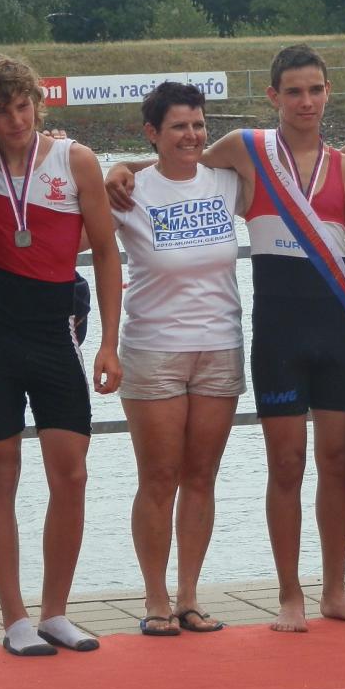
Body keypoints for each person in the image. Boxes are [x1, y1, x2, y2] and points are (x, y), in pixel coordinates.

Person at [108, 45, 345, 633]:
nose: (306, 102)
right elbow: (177, 161)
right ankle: (289, 596)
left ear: (329, 92)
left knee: (335, 463)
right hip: (276, 338)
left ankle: (334, 590)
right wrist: (120, 168)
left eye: (316, 90)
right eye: (294, 91)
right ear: (273, 96)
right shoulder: (247, 151)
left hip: (336, 333)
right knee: (285, 465)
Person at [0, 53, 123, 656]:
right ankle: (15, 619)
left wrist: (109, 341)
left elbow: (105, 252)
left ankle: (55, 612)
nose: (17, 120)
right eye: (2, 111)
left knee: (72, 472)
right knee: (0, 468)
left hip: (56, 329)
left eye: (24, 105)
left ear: (37, 102)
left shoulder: (74, 159)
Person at [111, 82, 250, 636]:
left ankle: (189, 596)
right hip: (154, 349)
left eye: (198, 124)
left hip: (220, 346)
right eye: (178, 127)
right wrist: (117, 168)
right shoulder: (130, 191)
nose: (191, 136)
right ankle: (154, 599)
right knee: (159, 476)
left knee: (201, 476)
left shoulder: (226, 180)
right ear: (152, 132)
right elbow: (79, 238)